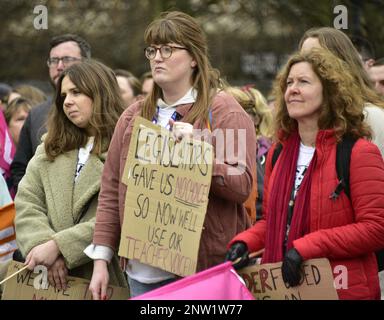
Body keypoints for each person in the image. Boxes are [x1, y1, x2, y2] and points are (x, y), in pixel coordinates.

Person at [86, 11, 256, 299]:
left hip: (202, 272)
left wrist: (197, 154)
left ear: (193, 58)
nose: (157, 58)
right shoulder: (133, 116)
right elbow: (112, 188)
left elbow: (242, 185)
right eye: (152, 50)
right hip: (140, 273)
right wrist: (101, 260)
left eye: (168, 49)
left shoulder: (224, 110)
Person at [226, 49, 384, 300]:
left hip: (342, 291)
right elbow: (272, 220)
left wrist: (306, 247)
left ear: (330, 92)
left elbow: (376, 228)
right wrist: (245, 243)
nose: (292, 89)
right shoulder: (279, 153)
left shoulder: (358, 152)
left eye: (304, 82)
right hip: (287, 289)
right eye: (289, 83)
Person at [14, 59, 127, 290]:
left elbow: (123, 214)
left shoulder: (127, 147)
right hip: (45, 280)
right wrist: (44, 246)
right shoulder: (49, 147)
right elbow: (27, 203)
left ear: (100, 93)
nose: (68, 102)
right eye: (63, 95)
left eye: (76, 92)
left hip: (102, 275)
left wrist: (60, 246)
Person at [11, 34, 91, 192]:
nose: (59, 66)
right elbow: (20, 168)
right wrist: (35, 203)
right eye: (54, 60)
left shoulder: (99, 111)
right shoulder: (36, 114)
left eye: (67, 59)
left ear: (86, 63)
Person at [299, 27, 384, 157]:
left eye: (315, 58)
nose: (306, 65)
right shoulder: (303, 117)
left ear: (342, 62)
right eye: (303, 58)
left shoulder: (369, 116)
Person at [226, 86, 274, 221]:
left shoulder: (271, 154)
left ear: (257, 120)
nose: (232, 118)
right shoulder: (217, 146)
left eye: (242, 112)